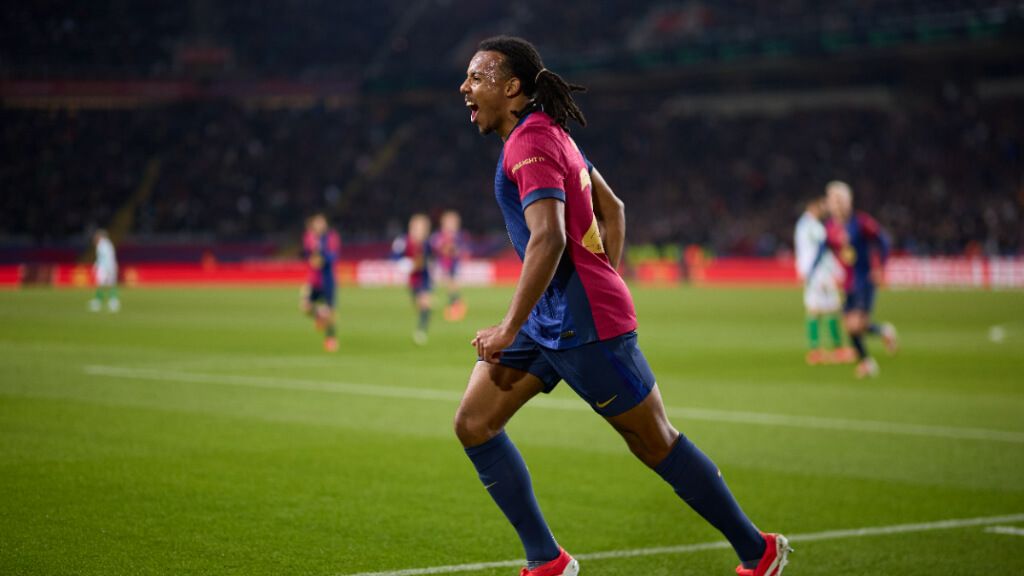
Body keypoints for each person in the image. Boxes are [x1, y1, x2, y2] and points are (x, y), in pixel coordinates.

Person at [454, 36, 790, 576]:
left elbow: (548, 237)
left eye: (477, 77)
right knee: (474, 423)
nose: (464, 87)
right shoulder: (548, 135)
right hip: (549, 319)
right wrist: (601, 274)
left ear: (511, 86)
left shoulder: (529, 143)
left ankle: (758, 550)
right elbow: (613, 207)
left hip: (585, 324)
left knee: (654, 442)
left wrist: (512, 324)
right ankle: (547, 560)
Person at [824, 181, 898, 378]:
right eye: (832, 200)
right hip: (847, 281)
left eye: (839, 200)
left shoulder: (861, 222)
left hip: (864, 279)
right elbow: (825, 249)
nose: (836, 204)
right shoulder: (830, 226)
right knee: (851, 325)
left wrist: (880, 267)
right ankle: (881, 334)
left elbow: (883, 241)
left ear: (848, 201)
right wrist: (819, 271)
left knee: (855, 325)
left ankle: (867, 362)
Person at [793, 197, 852, 365]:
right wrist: (839, 270)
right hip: (820, 273)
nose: (824, 211)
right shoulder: (814, 226)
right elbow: (827, 246)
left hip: (809, 273)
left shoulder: (801, 225)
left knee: (814, 310)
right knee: (832, 308)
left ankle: (815, 351)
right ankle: (838, 349)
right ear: (814, 207)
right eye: (822, 207)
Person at [301, 213, 341, 352]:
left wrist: (323, 259)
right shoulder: (309, 237)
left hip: (328, 280)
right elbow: (307, 254)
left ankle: (331, 339)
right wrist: (313, 258)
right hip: (313, 280)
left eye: (321, 222)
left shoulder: (331, 236)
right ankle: (320, 314)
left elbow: (334, 255)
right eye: (317, 223)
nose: (319, 225)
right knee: (305, 307)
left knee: (330, 312)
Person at [392, 213, 434, 345]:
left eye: (423, 228)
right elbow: (395, 257)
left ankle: (421, 331)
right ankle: (421, 328)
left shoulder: (426, 244)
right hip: (413, 279)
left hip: (425, 278)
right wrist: (407, 265)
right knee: (420, 304)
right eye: (418, 228)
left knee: (425, 303)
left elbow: (430, 258)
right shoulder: (403, 241)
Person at [431, 210, 469, 322]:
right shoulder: (438, 236)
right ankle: (454, 305)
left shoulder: (459, 236)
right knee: (447, 285)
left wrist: (453, 250)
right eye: (449, 222)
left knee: (452, 285)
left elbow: (461, 250)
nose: (451, 225)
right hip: (441, 264)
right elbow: (435, 247)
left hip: (453, 265)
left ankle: (456, 306)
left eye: (453, 222)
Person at [90, 229, 120, 312]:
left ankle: (99, 302)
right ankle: (113, 302)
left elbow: (103, 258)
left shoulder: (102, 245)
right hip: (110, 266)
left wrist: (96, 266)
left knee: (101, 284)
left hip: (105, 267)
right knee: (110, 284)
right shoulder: (108, 243)